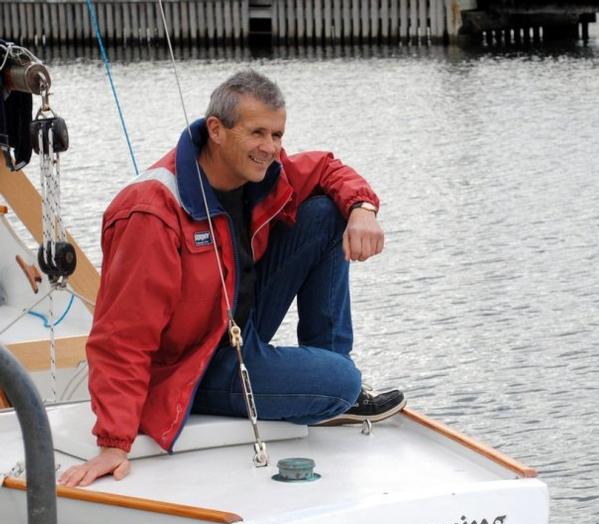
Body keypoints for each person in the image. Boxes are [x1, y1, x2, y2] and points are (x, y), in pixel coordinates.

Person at [60, 69, 405, 487]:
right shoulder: (151, 212)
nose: (271, 148)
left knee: (328, 212)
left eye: (277, 135)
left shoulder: (261, 171)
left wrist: (363, 208)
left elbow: (328, 168)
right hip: (187, 367)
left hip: (234, 327)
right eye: (257, 133)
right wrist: (114, 441)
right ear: (216, 130)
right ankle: (334, 390)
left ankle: (334, 391)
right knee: (341, 381)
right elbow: (122, 336)